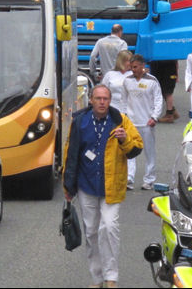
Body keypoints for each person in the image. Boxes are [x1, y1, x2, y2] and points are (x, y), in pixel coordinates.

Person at [63, 85, 143, 289]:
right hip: (85, 186)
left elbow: (137, 148)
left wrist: (125, 140)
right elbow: (70, 153)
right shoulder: (80, 121)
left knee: (109, 227)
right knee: (91, 232)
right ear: (91, 100)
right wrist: (68, 185)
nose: (101, 102)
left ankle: (111, 278)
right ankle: (97, 279)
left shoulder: (121, 120)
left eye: (105, 98)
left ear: (110, 100)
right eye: (98, 98)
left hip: (112, 186)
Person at [122, 55, 163, 191]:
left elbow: (158, 100)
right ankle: (129, 177)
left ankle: (149, 179)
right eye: (131, 67)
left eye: (135, 67)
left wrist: (154, 117)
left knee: (149, 152)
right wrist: (124, 117)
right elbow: (124, 99)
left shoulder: (152, 81)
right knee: (129, 150)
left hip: (147, 122)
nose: (132, 70)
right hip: (131, 122)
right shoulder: (127, 81)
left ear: (142, 66)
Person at [101, 50, 133, 115]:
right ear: (122, 61)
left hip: (130, 112)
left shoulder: (134, 74)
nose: (131, 63)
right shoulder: (109, 75)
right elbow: (102, 91)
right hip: (112, 110)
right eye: (129, 61)